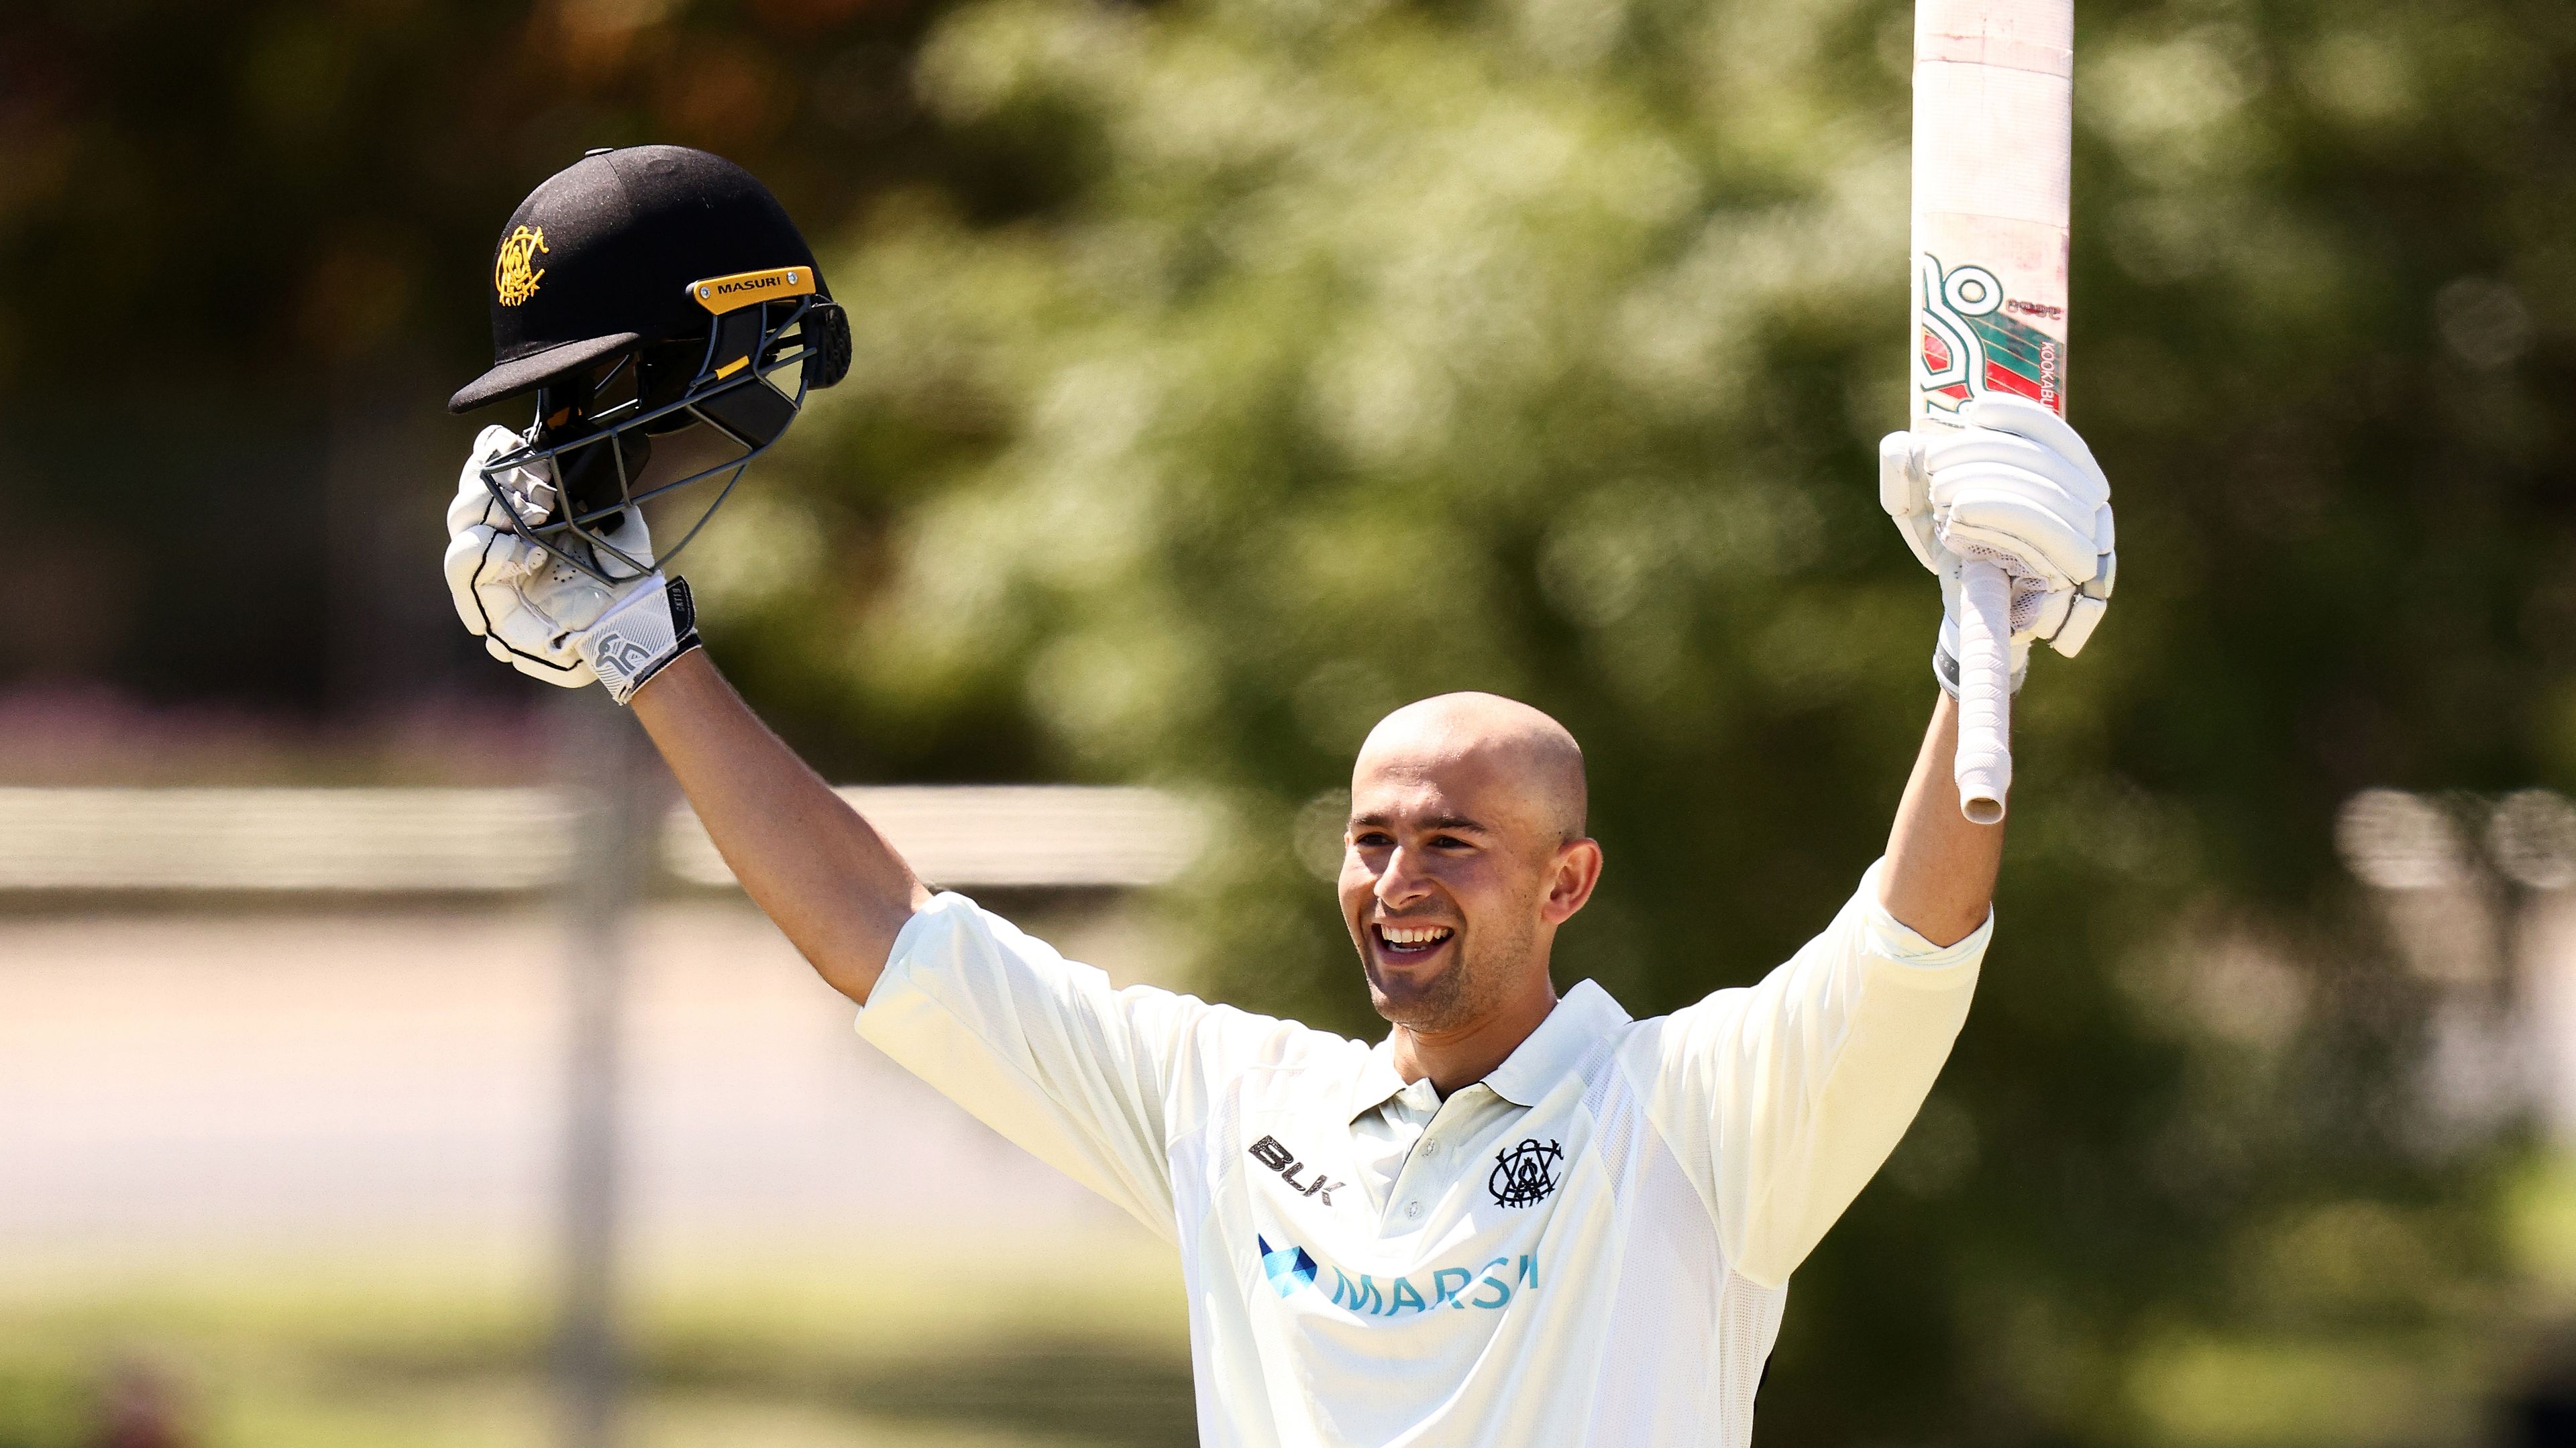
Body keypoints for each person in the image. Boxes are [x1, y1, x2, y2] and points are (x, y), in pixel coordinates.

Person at [444, 148, 2116, 1447]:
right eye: (1375, 837)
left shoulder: (1691, 1126)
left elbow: (1913, 937)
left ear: (1569, 883)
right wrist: (649, 659)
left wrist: (1987, 651)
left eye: (1454, 840)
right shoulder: (1230, 1110)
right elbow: (885, 937)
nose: (1399, 876)